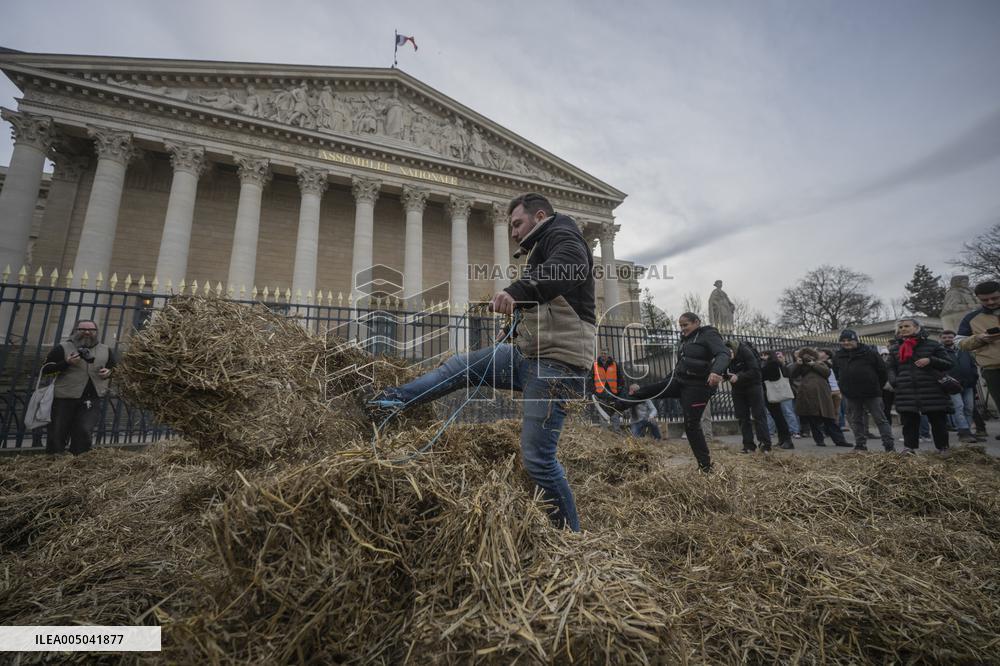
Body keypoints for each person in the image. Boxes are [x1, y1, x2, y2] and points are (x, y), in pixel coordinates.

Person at [366, 193, 594, 531]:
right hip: (529, 355)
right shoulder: (541, 246)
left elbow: (570, 267)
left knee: (538, 461)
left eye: (517, 223)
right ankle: (392, 401)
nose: (513, 233)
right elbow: (547, 301)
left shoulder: (562, 233)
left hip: (557, 364)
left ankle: (573, 540)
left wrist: (517, 291)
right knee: (460, 367)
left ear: (540, 216)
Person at [609, 312, 729, 472]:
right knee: (648, 391)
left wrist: (717, 371)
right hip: (680, 380)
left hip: (697, 387)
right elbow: (681, 364)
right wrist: (665, 382)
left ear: (697, 322)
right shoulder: (684, 341)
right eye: (680, 326)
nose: (683, 329)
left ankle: (705, 467)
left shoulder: (708, 334)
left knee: (691, 425)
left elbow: (723, 353)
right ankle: (614, 407)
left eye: (686, 325)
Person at [43, 319, 117, 455]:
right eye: (82, 329)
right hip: (64, 397)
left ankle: (79, 459)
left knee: (84, 429)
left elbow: (114, 369)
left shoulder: (106, 350)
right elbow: (46, 370)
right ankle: (54, 459)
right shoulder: (62, 347)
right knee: (58, 431)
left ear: (96, 332)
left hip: (92, 398)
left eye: (91, 330)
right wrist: (66, 363)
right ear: (75, 331)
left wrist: (109, 372)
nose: (87, 332)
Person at [888, 318, 954, 454]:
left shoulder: (933, 344)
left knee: (938, 420)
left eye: (907, 326)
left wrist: (930, 360)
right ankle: (909, 448)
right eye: (900, 327)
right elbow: (890, 367)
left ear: (917, 327)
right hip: (906, 389)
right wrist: (895, 381)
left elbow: (948, 363)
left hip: (932, 389)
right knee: (909, 421)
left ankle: (943, 448)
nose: (903, 329)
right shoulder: (895, 348)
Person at [833, 330, 896, 452]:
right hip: (851, 393)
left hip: (871, 392)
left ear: (856, 340)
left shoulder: (869, 353)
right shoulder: (839, 356)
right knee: (856, 420)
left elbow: (882, 371)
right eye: (843, 341)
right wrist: (843, 386)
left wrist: (877, 386)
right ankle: (860, 445)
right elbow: (837, 372)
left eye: (849, 340)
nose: (846, 343)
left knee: (880, 419)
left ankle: (889, 445)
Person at [958, 280, 1000, 439]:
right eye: (985, 300)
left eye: (995, 298)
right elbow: (959, 343)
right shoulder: (971, 318)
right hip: (993, 368)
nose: (990, 302)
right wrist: (979, 339)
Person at [790, 347, 851, 447]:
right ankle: (819, 440)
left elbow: (826, 373)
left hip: (822, 394)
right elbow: (791, 374)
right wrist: (798, 364)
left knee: (829, 418)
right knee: (813, 420)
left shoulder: (820, 363)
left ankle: (839, 440)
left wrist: (813, 364)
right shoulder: (800, 366)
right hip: (808, 394)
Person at [725, 340, 772, 453]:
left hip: (753, 386)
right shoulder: (725, 356)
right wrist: (724, 376)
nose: (728, 357)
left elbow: (755, 371)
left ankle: (765, 444)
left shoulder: (745, 351)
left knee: (758, 415)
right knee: (742, 417)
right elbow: (725, 371)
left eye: (729, 353)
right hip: (737, 388)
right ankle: (748, 445)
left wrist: (739, 376)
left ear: (733, 350)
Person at [940, 330, 980, 443]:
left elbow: (972, 365)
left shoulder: (964, 350)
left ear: (954, 338)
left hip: (968, 384)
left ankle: (968, 432)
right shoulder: (940, 352)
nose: (947, 339)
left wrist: (974, 378)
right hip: (952, 385)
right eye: (945, 337)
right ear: (941, 339)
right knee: (959, 407)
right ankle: (963, 431)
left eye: (950, 337)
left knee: (969, 408)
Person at [760, 350, 795, 449]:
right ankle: (782, 439)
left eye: (765, 355)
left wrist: (762, 369)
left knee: (779, 417)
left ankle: (787, 440)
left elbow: (773, 376)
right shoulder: (773, 364)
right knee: (777, 416)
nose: (763, 357)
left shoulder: (773, 364)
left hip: (773, 393)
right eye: (762, 355)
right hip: (772, 393)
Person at [590, 350, 622, 431]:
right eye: (602, 353)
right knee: (602, 413)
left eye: (605, 353)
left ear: (608, 355)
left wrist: (619, 389)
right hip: (601, 393)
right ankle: (605, 433)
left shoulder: (614, 364)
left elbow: (620, 378)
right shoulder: (595, 365)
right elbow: (591, 378)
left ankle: (616, 431)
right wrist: (594, 390)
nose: (603, 355)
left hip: (612, 392)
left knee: (614, 412)